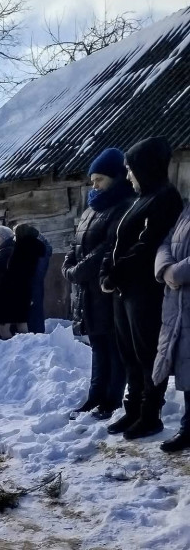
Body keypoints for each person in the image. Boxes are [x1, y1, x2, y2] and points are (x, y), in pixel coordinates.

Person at [102, 136, 184, 440]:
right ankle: (133, 409)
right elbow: (116, 241)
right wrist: (106, 272)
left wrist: (117, 273)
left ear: (145, 167)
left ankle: (150, 415)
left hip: (145, 292)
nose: (127, 176)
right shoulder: (140, 199)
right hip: (125, 291)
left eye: (130, 169)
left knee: (147, 354)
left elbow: (147, 246)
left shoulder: (165, 198)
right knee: (129, 355)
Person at [63, 148, 134, 419]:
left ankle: (111, 400)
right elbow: (76, 243)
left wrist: (78, 271)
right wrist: (69, 265)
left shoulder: (123, 205)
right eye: (93, 180)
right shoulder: (91, 208)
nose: (94, 185)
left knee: (114, 348)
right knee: (98, 348)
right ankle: (94, 397)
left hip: (109, 291)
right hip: (88, 293)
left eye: (100, 180)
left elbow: (108, 247)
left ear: (116, 178)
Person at [153, 200, 190, 453]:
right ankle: (189, 427)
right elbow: (166, 241)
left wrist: (179, 272)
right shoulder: (187, 209)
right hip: (180, 301)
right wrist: (165, 268)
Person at [0, 223, 44, 339]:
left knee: (3, 327)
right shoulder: (35, 248)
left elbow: (12, 271)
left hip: (13, 291)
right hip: (25, 290)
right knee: (21, 324)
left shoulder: (21, 248)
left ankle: (9, 352)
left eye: (15, 234)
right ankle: (25, 351)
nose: (13, 237)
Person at [29, 230, 52, 335]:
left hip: (33, 285)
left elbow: (38, 272)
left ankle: (36, 335)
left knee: (35, 313)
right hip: (34, 285)